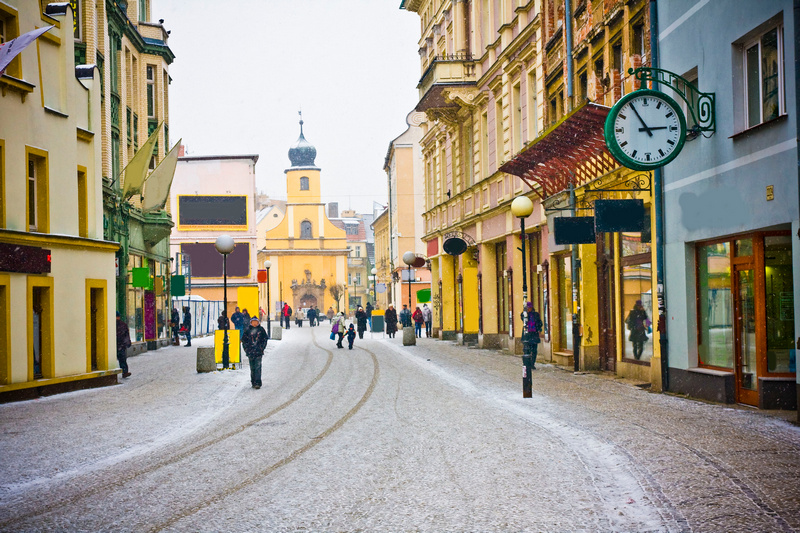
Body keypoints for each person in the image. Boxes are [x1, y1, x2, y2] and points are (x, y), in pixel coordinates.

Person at [241, 315, 269, 389]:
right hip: (250, 352)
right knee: (252, 368)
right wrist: (246, 349)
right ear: (251, 322)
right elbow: (244, 341)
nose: (254, 323)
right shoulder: (247, 330)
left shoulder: (261, 330)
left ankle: (258, 382)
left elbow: (265, 339)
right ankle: (253, 382)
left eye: (256, 322)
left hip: (258, 352)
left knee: (258, 367)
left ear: (258, 322)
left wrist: (262, 348)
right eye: (253, 322)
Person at [521, 302, 543, 369]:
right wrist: (525, 313)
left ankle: (532, 363)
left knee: (534, 350)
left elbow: (540, 323)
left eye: (529, 308)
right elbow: (523, 319)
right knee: (527, 350)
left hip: (534, 334)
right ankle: (527, 363)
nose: (529, 309)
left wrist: (538, 328)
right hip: (527, 335)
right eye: (527, 308)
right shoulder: (524, 314)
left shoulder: (536, 314)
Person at [116, 311, 132, 378]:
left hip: (117, 344)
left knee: (121, 358)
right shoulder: (123, 325)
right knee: (122, 358)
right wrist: (127, 343)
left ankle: (124, 372)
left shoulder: (112, 324)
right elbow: (126, 335)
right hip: (121, 345)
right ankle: (125, 372)